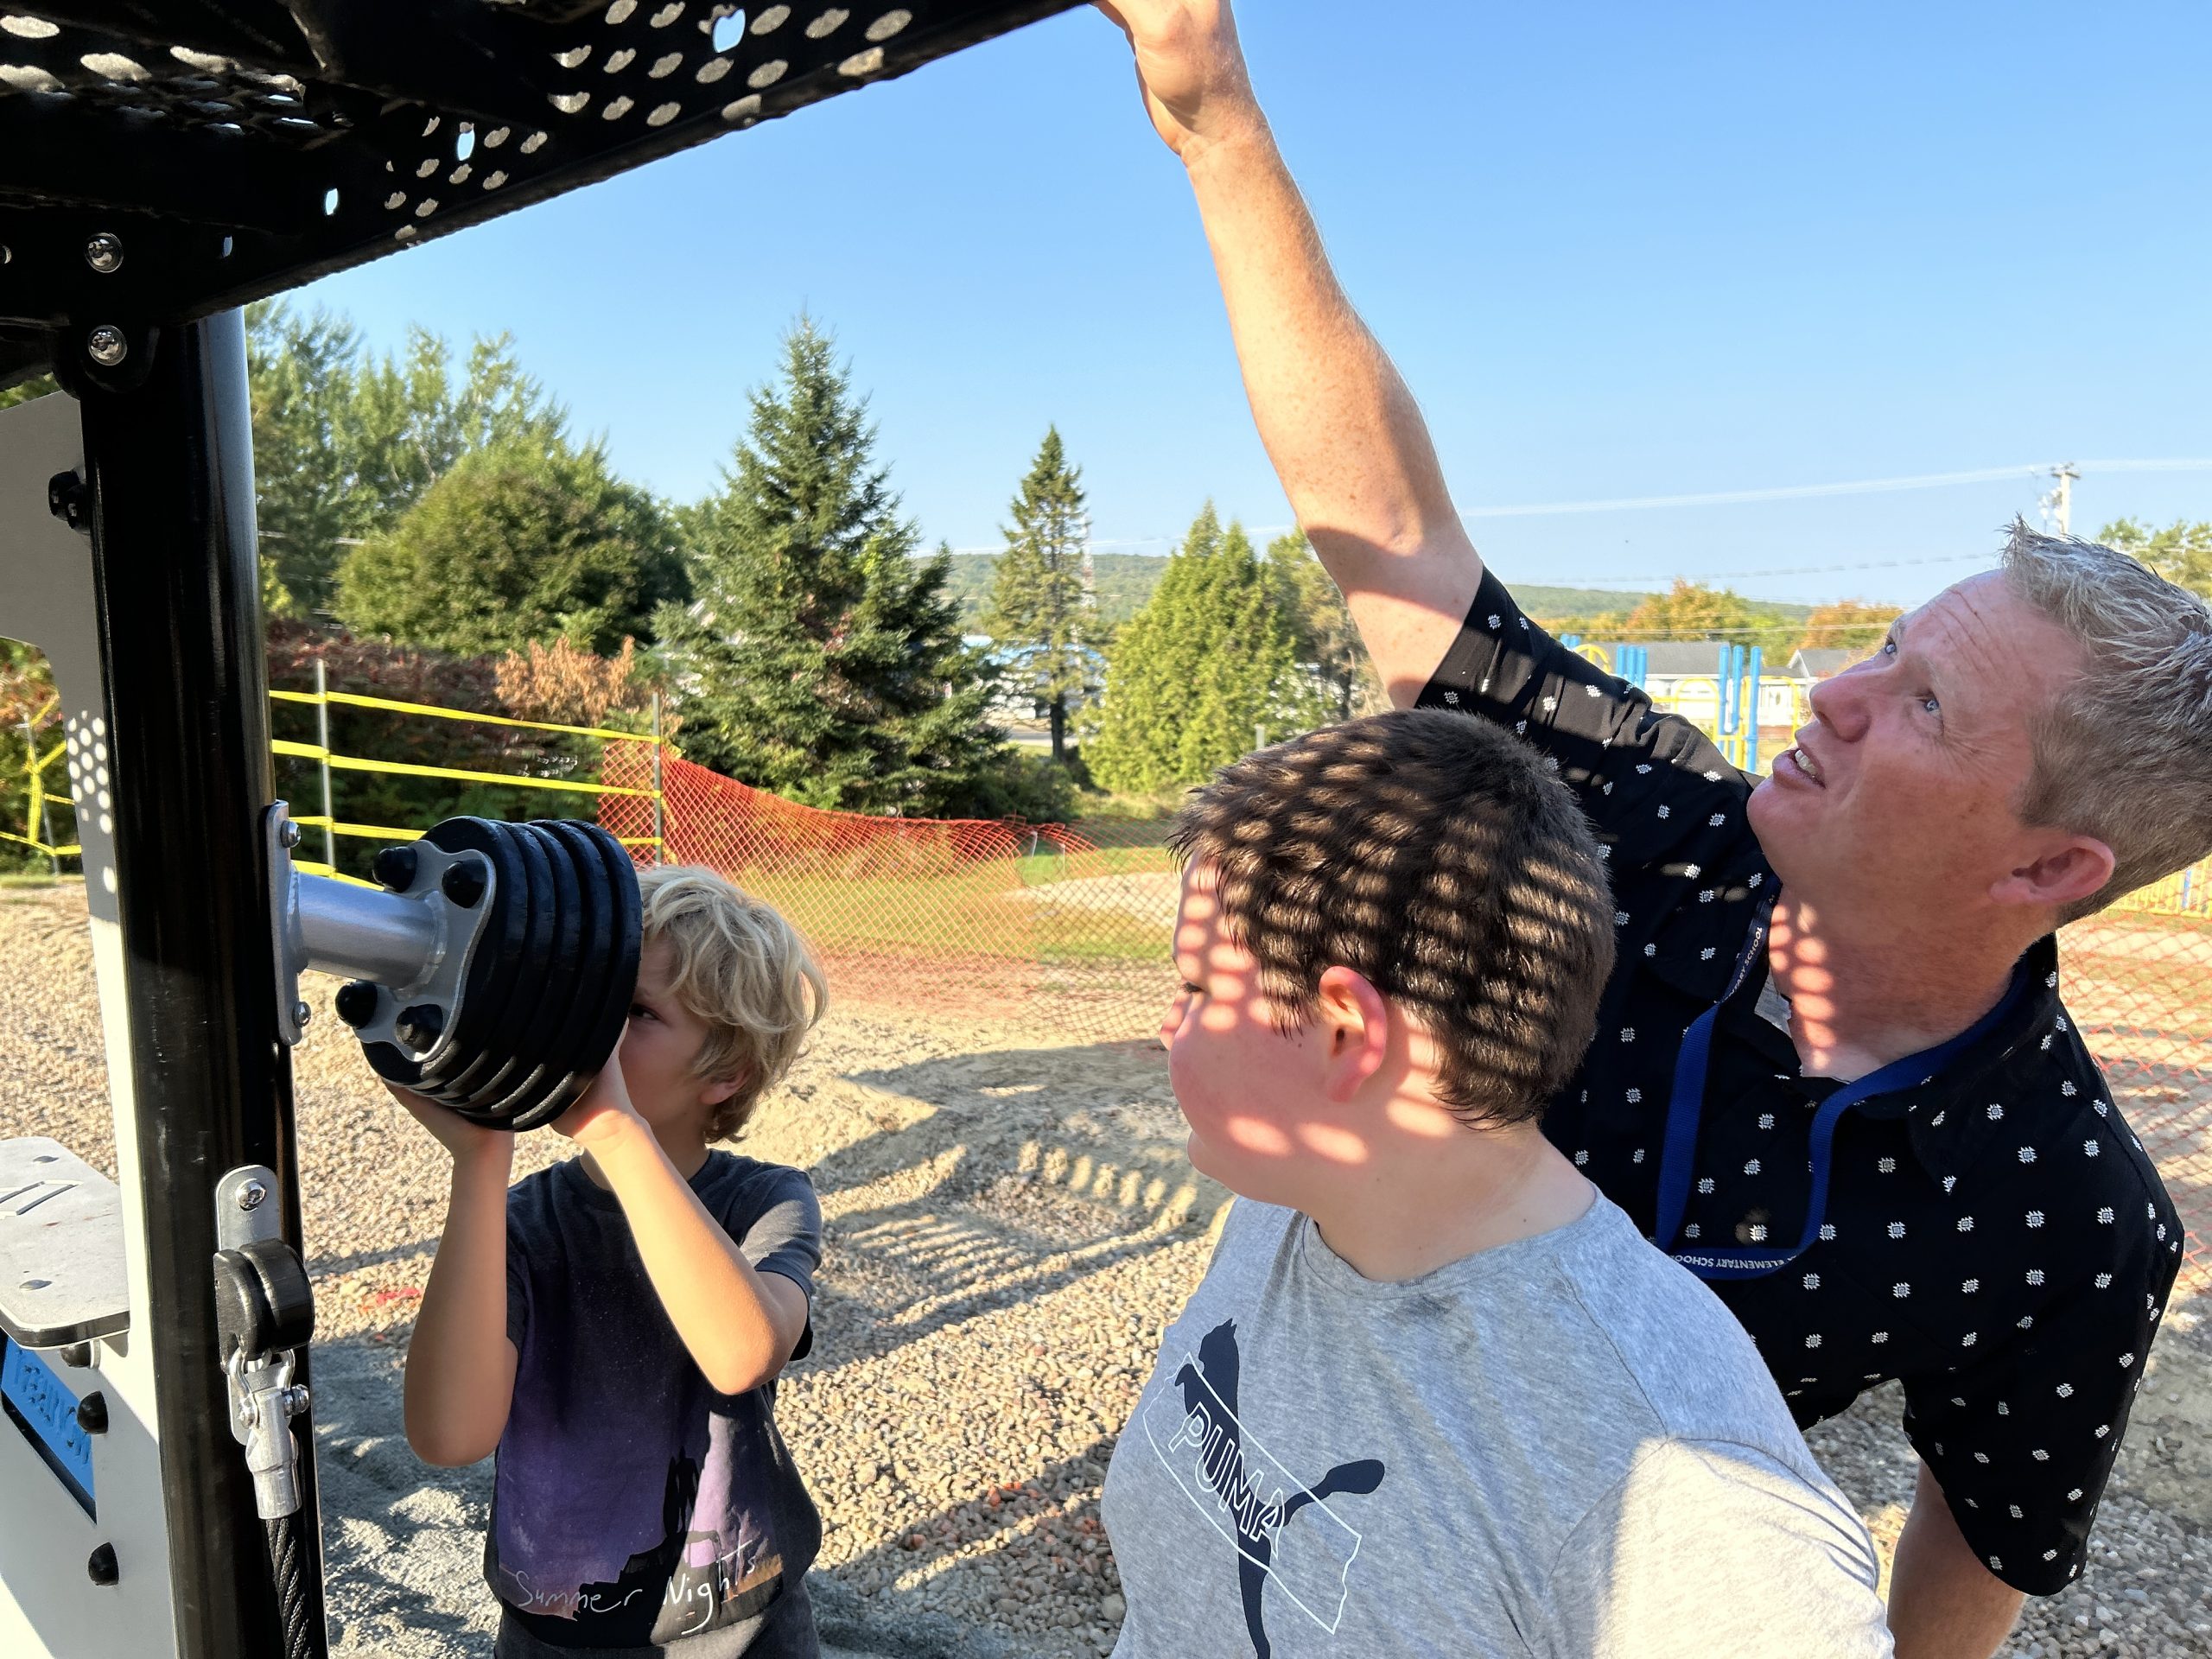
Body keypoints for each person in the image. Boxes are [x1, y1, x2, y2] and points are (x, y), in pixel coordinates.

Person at [1093, 4, 2206, 1655]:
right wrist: (1216, 117)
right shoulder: (1646, 822)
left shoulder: (2065, 1212)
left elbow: (1962, 1585)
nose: (1835, 690)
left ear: (2049, 869)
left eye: (1923, 708)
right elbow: (1394, 541)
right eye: (1883, 650)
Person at [1103, 709, 1894, 1657]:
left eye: (1196, 987)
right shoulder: (1287, 1207)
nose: (1166, 1026)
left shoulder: (1684, 1490)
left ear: (1349, 1033)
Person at [392, 865, 830, 1657]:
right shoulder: (523, 1221)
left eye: (632, 1011)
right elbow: (448, 1434)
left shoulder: (766, 1200)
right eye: (585, 997)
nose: (591, 1030)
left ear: (724, 1072)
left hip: (737, 1631)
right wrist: (481, 1159)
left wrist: (615, 1129)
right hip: (550, 1631)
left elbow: (744, 1353)